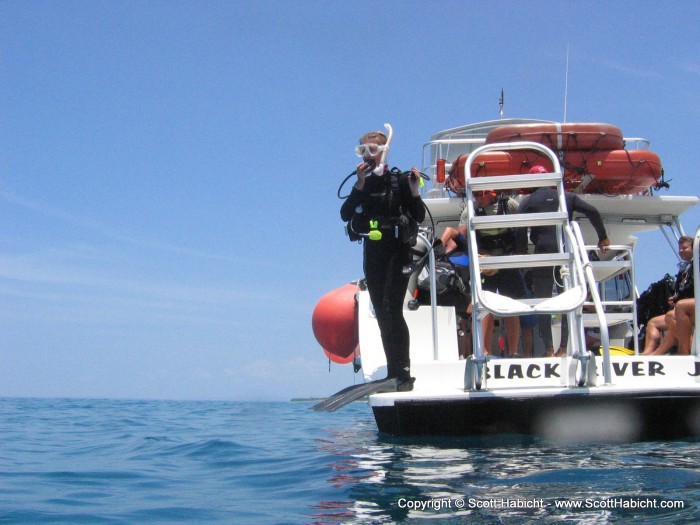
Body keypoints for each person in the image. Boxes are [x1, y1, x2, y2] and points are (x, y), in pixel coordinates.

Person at [340, 130, 425, 390]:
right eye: (363, 150)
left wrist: (414, 191)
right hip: (374, 255)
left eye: (373, 150)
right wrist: (360, 185)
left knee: (392, 310)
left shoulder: (398, 181)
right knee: (382, 313)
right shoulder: (363, 184)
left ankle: (404, 373)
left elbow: (419, 216)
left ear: (384, 151)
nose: (368, 155)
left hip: (398, 253)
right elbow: (346, 214)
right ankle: (392, 372)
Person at [515, 165, 610, 357]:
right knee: (568, 301)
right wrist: (603, 237)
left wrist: (522, 253)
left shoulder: (528, 201)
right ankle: (564, 348)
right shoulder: (567, 197)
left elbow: (518, 229)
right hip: (565, 255)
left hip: (543, 255)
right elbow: (593, 212)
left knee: (543, 304)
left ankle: (549, 348)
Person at [442, 190, 525, 357]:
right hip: (484, 264)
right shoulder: (470, 210)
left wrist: (521, 254)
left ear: (492, 193)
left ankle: (514, 351)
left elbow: (522, 227)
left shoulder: (509, 205)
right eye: (476, 194)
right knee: (484, 307)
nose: (478, 198)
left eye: (481, 194)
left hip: (507, 261)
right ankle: (485, 351)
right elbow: (462, 237)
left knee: (512, 307)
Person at [642, 236, 695, 355]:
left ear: (694, 248)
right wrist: (676, 298)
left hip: (691, 308)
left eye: (684, 248)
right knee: (653, 322)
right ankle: (648, 354)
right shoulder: (685, 268)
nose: (681, 251)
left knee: (673, 314)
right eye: (680, 248)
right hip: (687, 310)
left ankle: (686, 350)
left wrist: (679, 301)